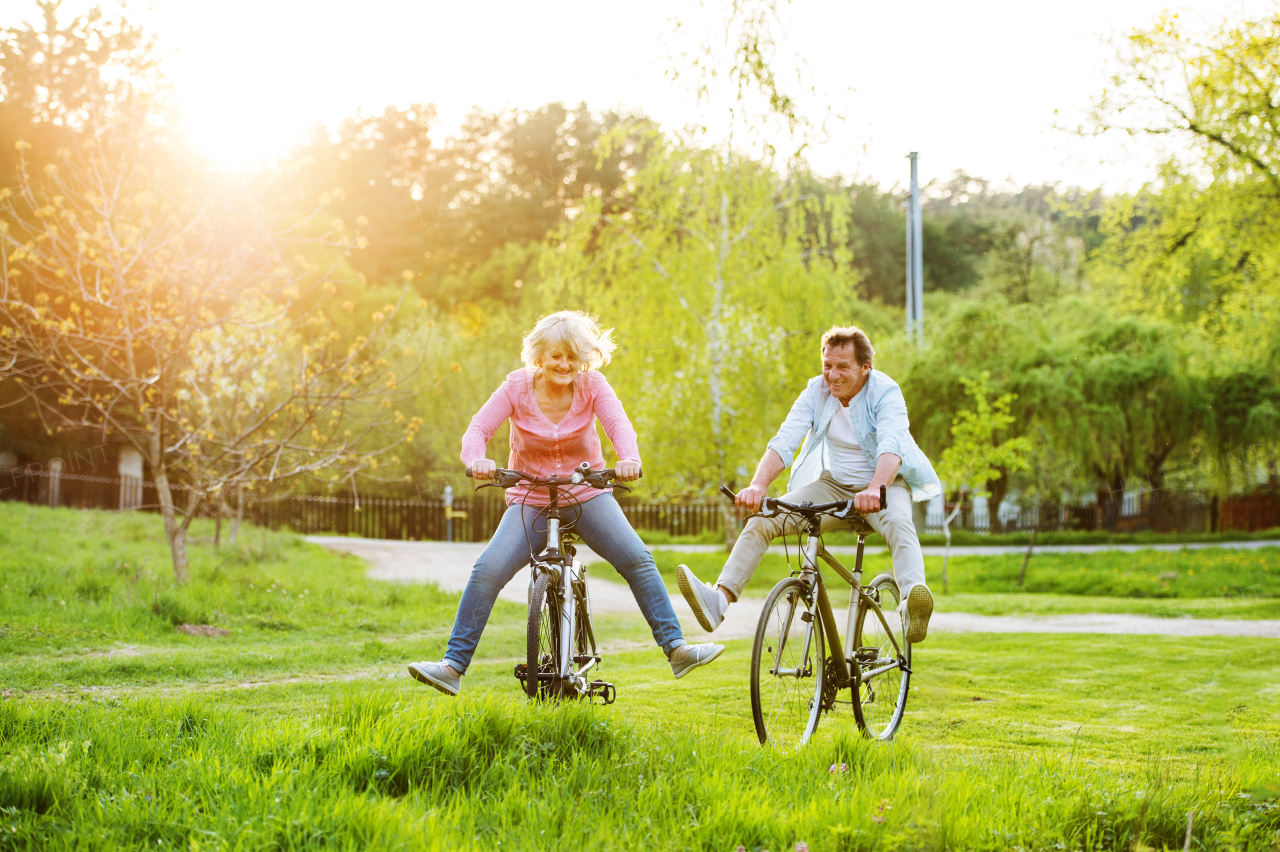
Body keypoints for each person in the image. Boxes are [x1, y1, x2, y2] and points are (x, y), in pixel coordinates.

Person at [408, 311, 724, 695]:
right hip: (530, 497)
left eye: (573, 356)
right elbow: (478, 429)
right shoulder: (515, 388)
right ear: (539, 356)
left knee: (636, 557)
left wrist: (629, 459)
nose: (565, 364)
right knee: (487, 568)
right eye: (556, 355)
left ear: (584, 358)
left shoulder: (593, 386)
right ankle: (452, 667)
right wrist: (477, 459)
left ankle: (676, 650)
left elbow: (618, 425)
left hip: (586, 494)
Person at [677, 325, 941, 643]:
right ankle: (718, 601)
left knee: (899, 523)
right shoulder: (815, 392)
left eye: (843, 366)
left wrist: (875, 488)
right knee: (764, 518)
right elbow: (786, 439)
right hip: (834, 486)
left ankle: (912, 604)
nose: (833, 375)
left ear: (865, 367)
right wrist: (759, 485)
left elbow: (892, 443)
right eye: (827, 365)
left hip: (884, 486)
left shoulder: (885, 392)